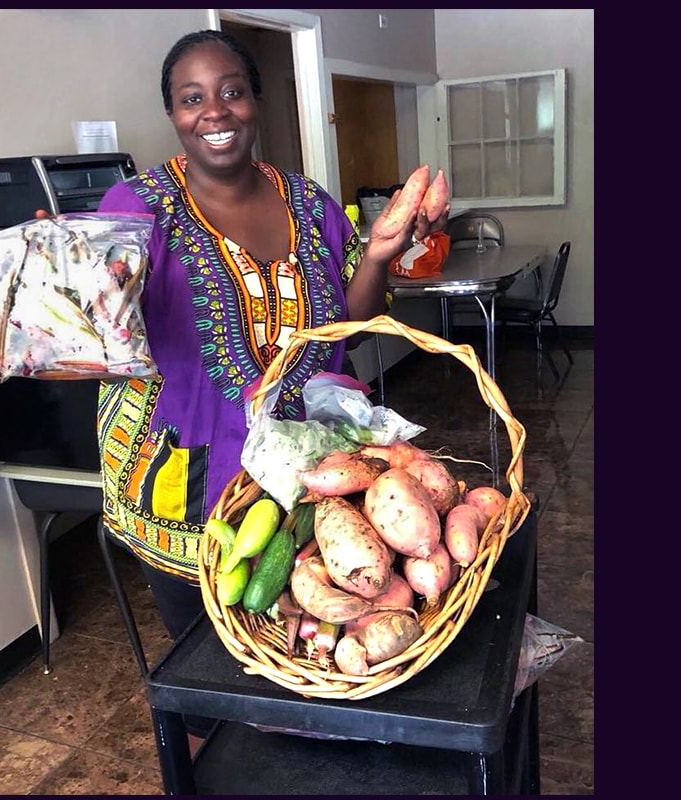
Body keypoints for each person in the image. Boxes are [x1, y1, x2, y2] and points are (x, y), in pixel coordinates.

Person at [92, 29, 447, 747]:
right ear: (172, 113)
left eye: (230, 91)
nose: (213, 111)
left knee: (317, 651)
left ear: (255, 102)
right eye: (192, 98)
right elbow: (97, 325)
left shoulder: (308, 202)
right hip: (193, 480)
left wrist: (378, 251)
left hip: (313, 476)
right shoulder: (137, 205)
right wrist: (63, 276)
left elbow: (353, 323)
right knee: (219, 681)